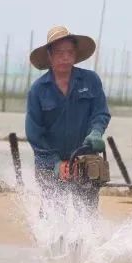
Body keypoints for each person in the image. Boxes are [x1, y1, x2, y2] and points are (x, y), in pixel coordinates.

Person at [25, 25, 110, 214]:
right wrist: (55, 163)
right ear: (49, 55)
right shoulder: (38, 90)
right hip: (49, 164)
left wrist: (96, 131)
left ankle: (87, 244)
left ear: (75, 54)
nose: (65, 57)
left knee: (87, 215)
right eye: (59, 52)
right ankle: (52, 243)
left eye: (70, 52)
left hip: (84, 159)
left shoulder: (91, 80)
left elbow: (100, 113)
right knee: (53, 215)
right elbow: (35, 134)